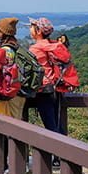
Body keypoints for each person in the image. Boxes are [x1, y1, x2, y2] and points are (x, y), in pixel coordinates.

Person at [28, 17, 77, 147]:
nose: (29, 29)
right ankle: (64, 155)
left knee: (50, 126)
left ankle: (59, 157)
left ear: (38, 31)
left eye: (32, 27)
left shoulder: (35, 49)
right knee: (56, 123)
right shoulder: (53, 44)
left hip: (43, 89)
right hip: (56, 88)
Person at [0, 17, 27, 120]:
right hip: (18, 91)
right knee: (16, 119)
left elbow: (6, 71)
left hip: (12, 93)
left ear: (3, 32)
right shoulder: (15, 46)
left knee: (14, 122)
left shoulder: (6, 50)